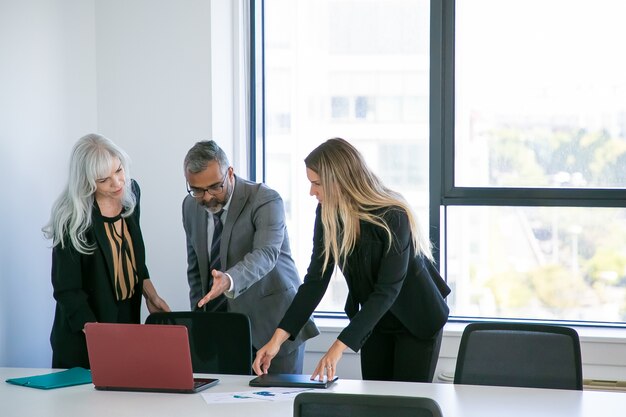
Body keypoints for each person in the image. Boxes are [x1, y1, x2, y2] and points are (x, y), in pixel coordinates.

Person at [253, 138, 451, 383]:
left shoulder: (393, 215)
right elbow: (315, 282)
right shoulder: (327, 213)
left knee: (407, 404)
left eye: (317, 184)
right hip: (374, 320)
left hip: (416, 317)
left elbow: (387, 290)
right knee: (376, 404)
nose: (311, 192)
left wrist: (337, 348)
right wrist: (276, 340)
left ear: (339, 181)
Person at [182, 140, 319, 374]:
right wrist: (198, 323)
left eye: (215, 187)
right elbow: (196, 271)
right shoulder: (189, 206)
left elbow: (265, 254)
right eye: (197, 190)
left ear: (230, 173)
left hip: (272, 327)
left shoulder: (264, 199)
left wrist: (229, 280)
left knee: (277, 408)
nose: (207, 197)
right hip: (222, 333)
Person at [43, 133, 170, 369]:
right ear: (86, 182)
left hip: (125, 322)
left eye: (119, 170)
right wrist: (102, 339)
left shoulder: (131, 193)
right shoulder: (71, 217)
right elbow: (68, 291)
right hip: (84, 335)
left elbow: (131, 256)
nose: (117, 183)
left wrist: (151, 295)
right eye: (104, 180)